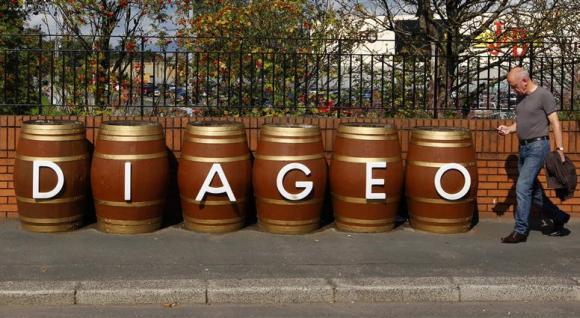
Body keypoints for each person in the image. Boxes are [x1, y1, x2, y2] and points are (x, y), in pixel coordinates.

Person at [496, 67, 570, 243]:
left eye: (514, 86)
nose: (513, 90)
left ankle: (520, 230)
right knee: (534, 191)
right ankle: (559, 216)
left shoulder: (544, 95)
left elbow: (555, 123)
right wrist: (509, 129)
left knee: (522, 186)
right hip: (524, 148)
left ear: (524, 80)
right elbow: (522, 123)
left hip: (538, 147)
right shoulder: (521, 98)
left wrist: (560, 149)